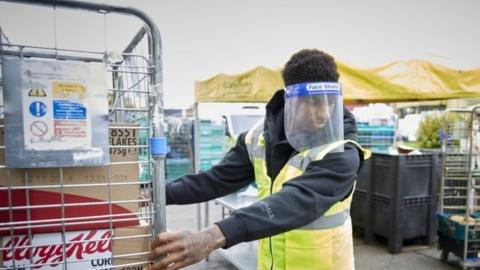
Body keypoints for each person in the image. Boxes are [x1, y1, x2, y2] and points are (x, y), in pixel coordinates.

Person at [148, 49, 368, 270]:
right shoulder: (258, 139)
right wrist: (153, 194)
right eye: (313, 102)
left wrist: (212, 236)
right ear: (290, 99)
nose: (324, 113)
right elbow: (214, 181)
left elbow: (297, 201)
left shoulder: (342, 151)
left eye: (329, 102)